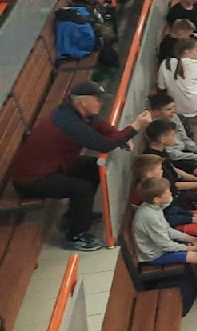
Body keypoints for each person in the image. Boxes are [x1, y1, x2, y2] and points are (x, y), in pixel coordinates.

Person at [13, 83, 151, 250]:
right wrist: (135, 127)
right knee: (81, 188)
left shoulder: (75, 111)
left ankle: (75, 216)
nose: (101, 103)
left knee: (93, 168)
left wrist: (119, 136)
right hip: (32, 180)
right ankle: (75, 236)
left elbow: (100, 126)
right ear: (84, 101)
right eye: (97, 100)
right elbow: (103, 145)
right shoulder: (69, 122)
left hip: (58, 166)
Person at [132, 178, 197, 297]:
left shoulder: (154, 207)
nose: (170, 193)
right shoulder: (150, 217)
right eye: (167, 192)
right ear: (157, 199)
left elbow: (168, 230)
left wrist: (192, 239)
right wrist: (191, 248)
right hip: (156, 255)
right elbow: (166, 245)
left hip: (163, 246)